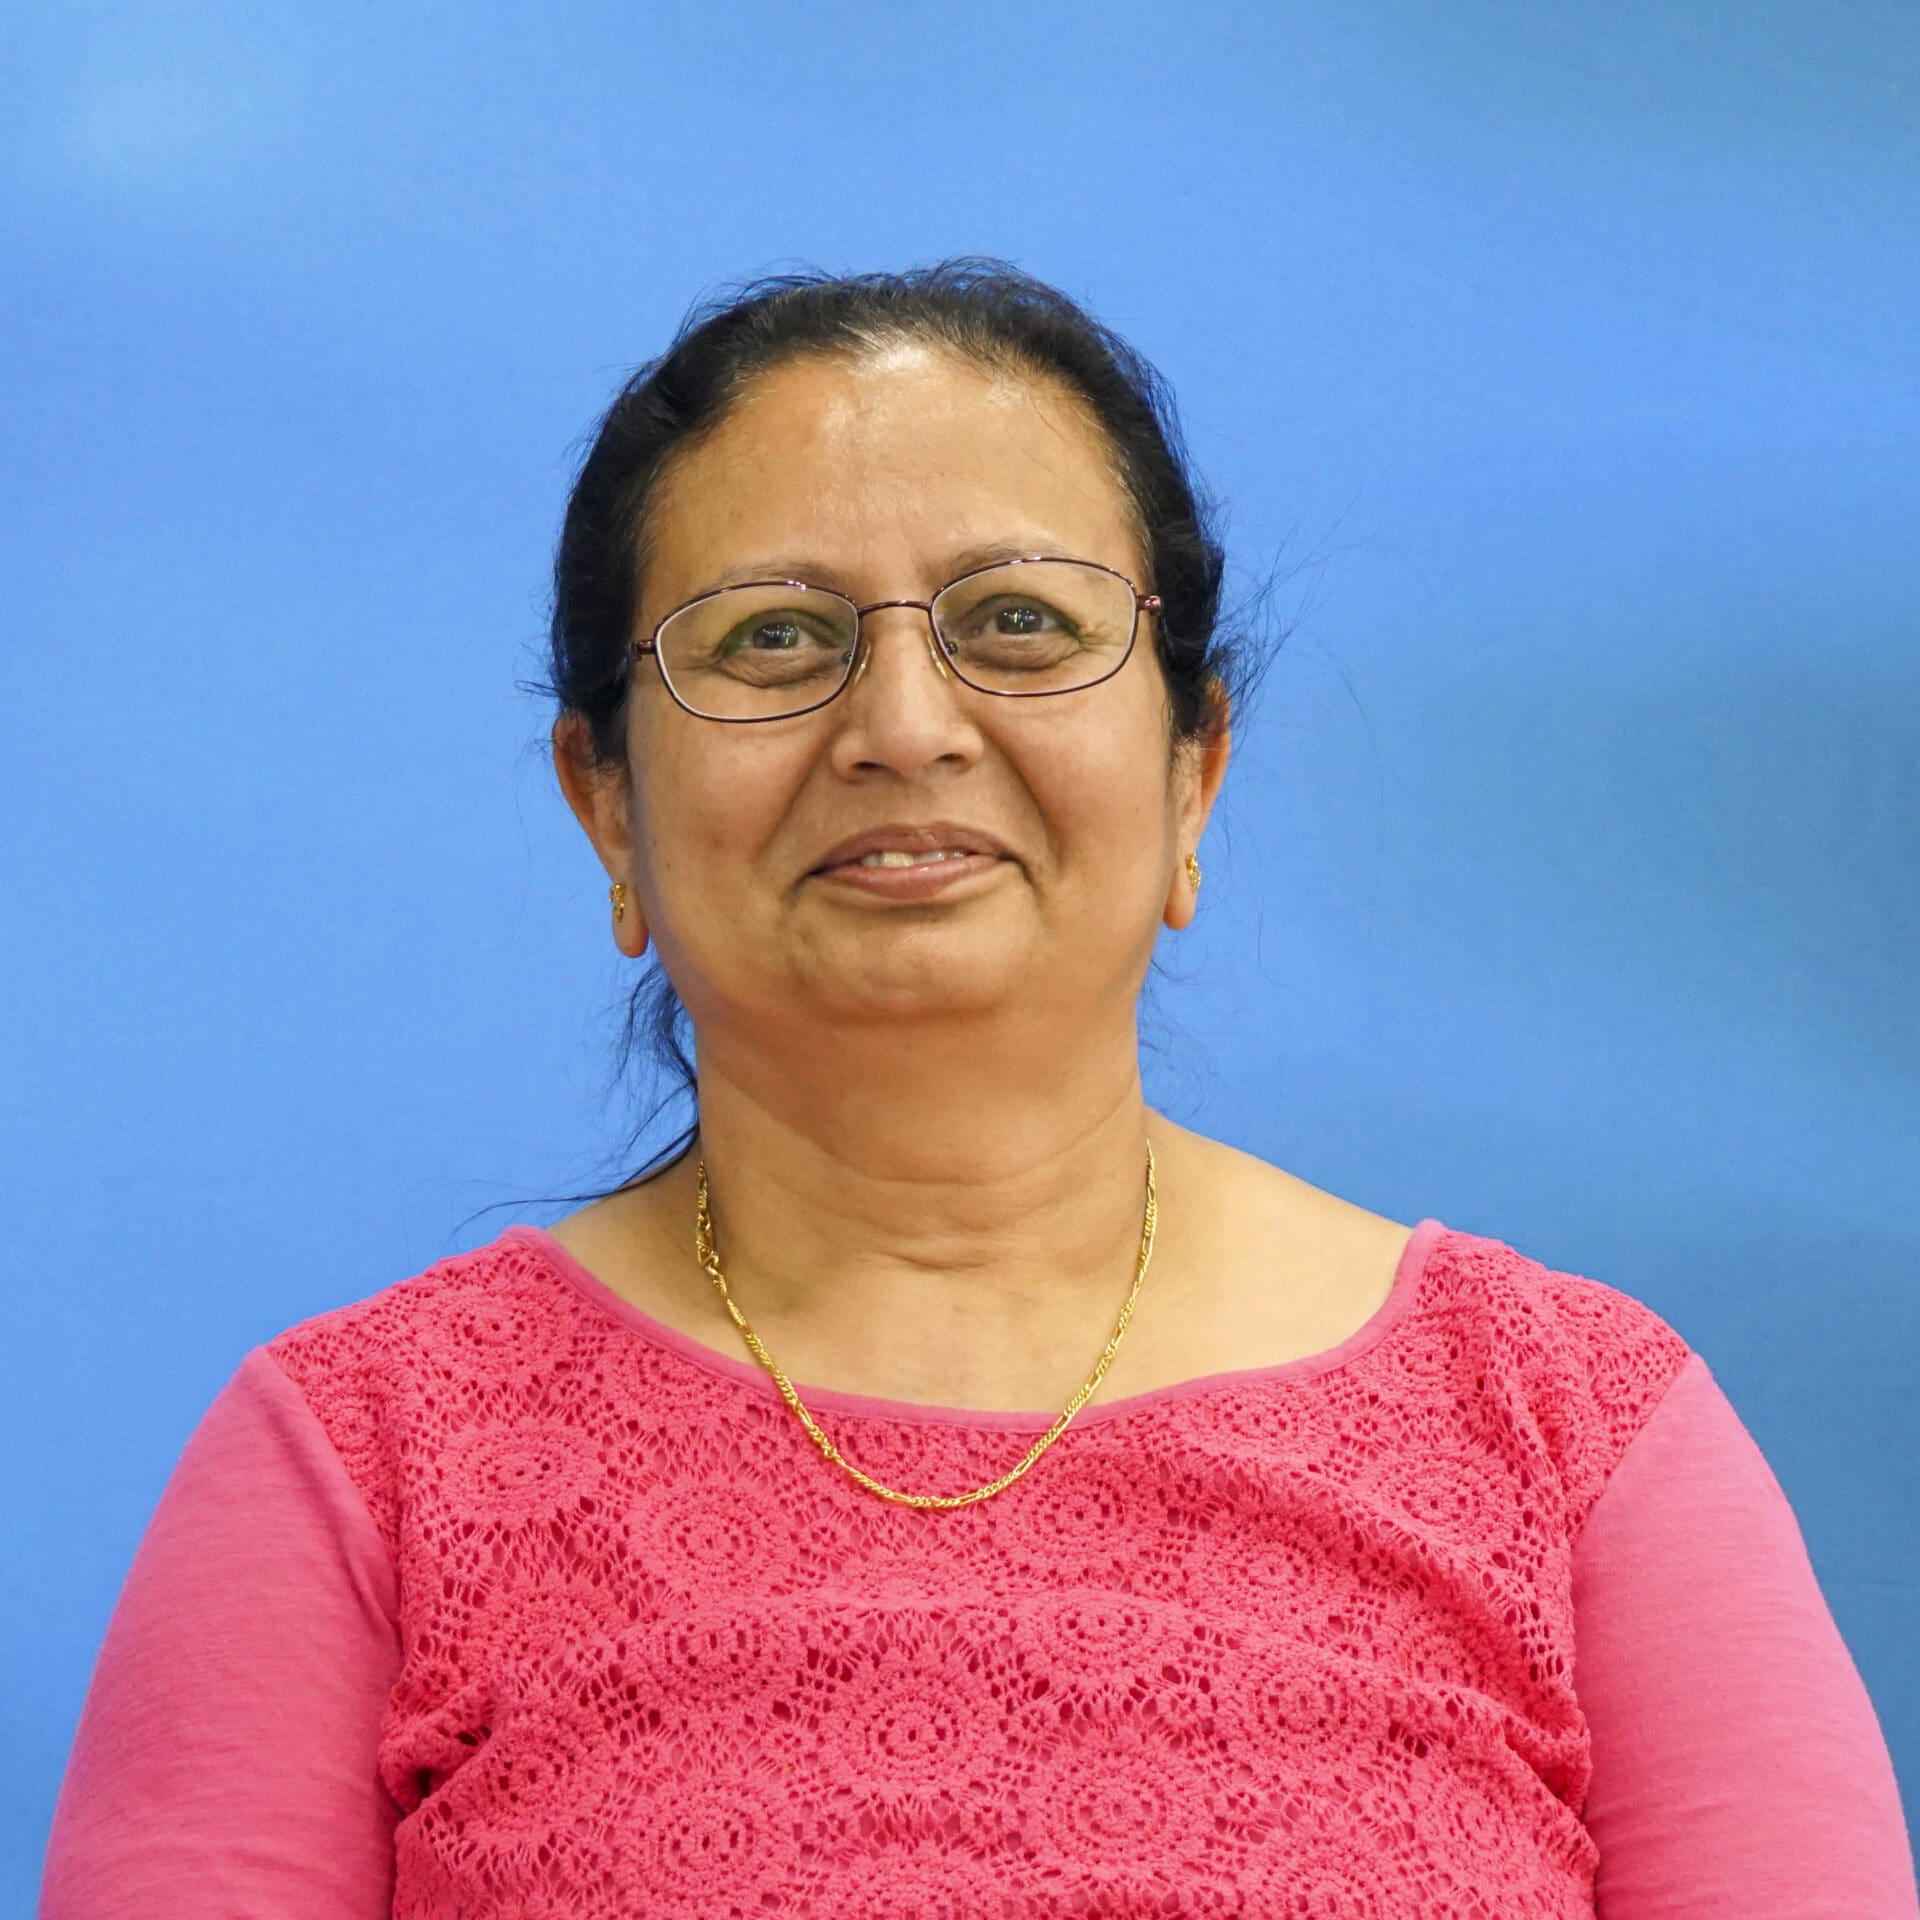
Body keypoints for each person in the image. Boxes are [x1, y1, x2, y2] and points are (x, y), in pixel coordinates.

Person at [39, 260, 1917, 1919]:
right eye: (773, 637)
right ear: (605, 805)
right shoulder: (357, 1467)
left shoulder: (1575, 1435)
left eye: (1018, 623)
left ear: (1193, 772)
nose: (906, 726)